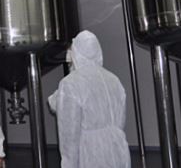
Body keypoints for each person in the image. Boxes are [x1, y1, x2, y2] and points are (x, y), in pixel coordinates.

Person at [48, 30, 131, 168]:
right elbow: (120, 121)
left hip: (89, 155)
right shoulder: (114, 80)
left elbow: (69, 135)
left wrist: (69, 164)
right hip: (117, 151)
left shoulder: (70, 83)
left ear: (76, 52)